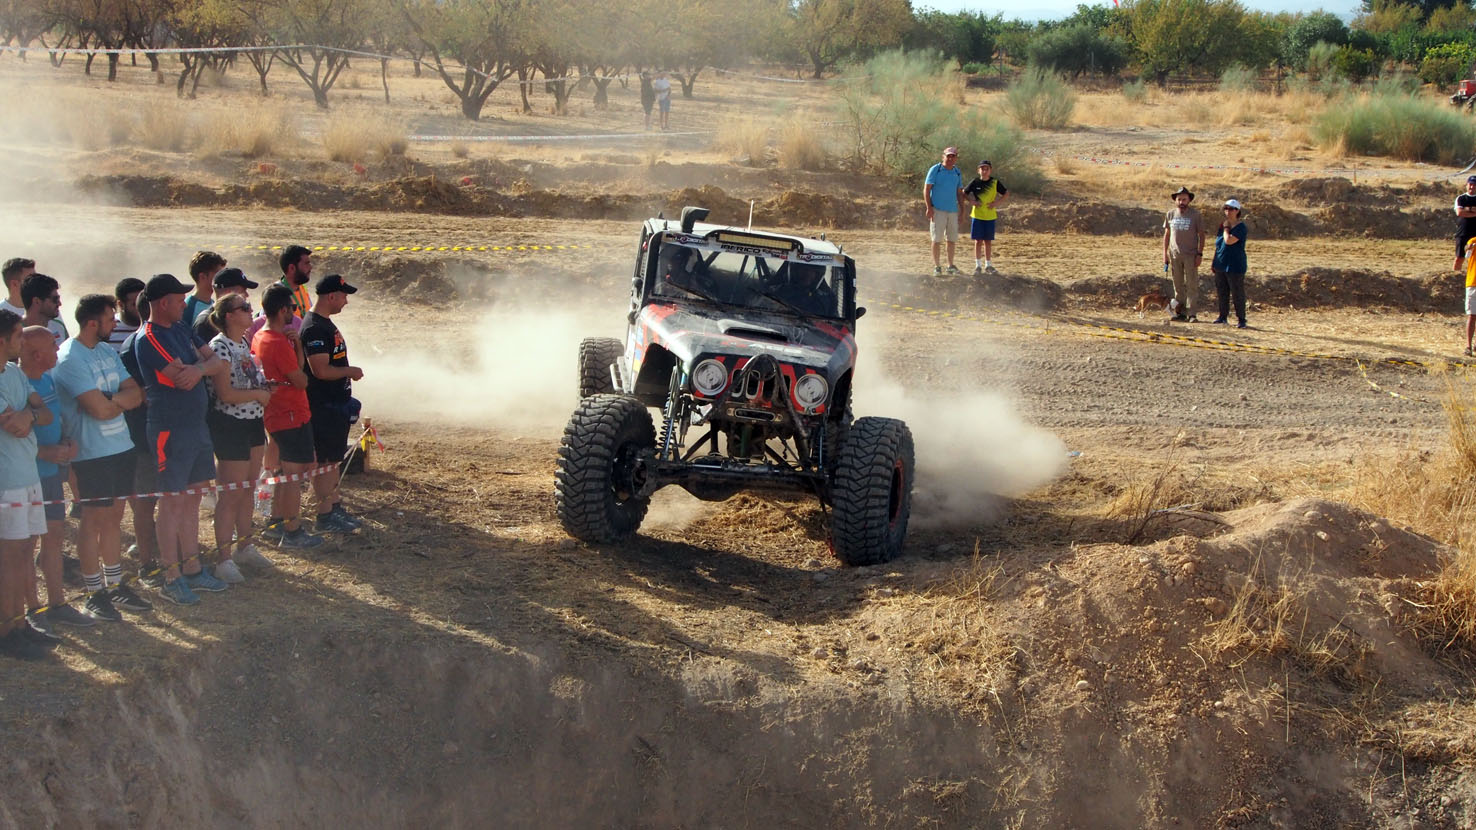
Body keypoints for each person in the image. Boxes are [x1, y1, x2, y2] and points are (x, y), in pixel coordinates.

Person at [133, 274, 230, 605]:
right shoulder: (149, 338)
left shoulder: (181, 328)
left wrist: (200, 369)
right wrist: (200, 368)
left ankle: (192, 568)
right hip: (169, 429)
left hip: (195, 426)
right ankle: (171, 576)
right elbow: (181, 379)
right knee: (172, 502)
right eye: (178, 299)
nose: (183, 304)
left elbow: (217, 362)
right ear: (163, 303)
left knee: (192, 498)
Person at [54, 294, 151, 621]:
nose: (115, 323)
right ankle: (94, 593)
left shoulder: (107, 351)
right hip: (91, 453)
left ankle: (114, 583)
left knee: (113, 518)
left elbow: (136, 394)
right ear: (93, 322)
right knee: (93, 521)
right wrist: (114, 401)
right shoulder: (69, 358)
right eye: (111, 319)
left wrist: (111, 400)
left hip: (121, 447)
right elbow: (97, 409)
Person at [19, 327, 89, 635]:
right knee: (26, 544)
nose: (57, 347)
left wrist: (68, 440)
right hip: (28, 476)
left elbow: (57, 419)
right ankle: (34, 608)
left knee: (54, 537)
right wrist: (44, 452)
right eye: (52, 344)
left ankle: (58, 602)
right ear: (36, 355)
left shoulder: (47, 379)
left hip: (52, 475)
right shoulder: (17, 384)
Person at [205, 295, 274, 578]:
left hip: (253, 422)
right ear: (229, 315)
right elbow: (226, 394)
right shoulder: (218, 347)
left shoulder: (244, 343)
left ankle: (245, 546)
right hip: (230, 425)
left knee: (247, 488)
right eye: (244, 308)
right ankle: (223, 559)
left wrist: (264, 388)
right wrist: (258, 394)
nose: (250, 312)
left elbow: (247, 378)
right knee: (230, 494)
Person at [252, 284, 324, 550]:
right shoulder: (277, 342)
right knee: (294, 476)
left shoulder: (260, 336)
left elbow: (294, 372)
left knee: (285, 472)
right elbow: (302, 380)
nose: (293, 313)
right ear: (282, 310)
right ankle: (292, 531)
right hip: (291, 415)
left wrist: (296, 346)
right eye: (292, 309)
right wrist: (295, 349)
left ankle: (277, 522)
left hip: (278, 414)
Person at [0, 311, 54, 659]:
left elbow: (42, 414)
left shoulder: (16, 374)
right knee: (9, 557)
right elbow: (12, 424)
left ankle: (19, 622)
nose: (22, 343)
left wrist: (28, 414)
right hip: (7, 482)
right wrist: (26, 414)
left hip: (28, 475)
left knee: (24, 552)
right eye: (18, 336)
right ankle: (7, 630)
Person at [302, 275, 365, 533]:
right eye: (343, 295)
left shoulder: (323, 324)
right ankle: (325, 515)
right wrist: (349, 371)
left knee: (333, 460)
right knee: (326, 461)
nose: (346, 301)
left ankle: (334, 506)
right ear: (331, 296)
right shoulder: (314, 327)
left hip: (334, 403)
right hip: (324, 405)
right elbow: (320, 370)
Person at [117, 297, 161, 587]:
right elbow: (138, 393)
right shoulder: (135, 345)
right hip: (143, 435)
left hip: (165, 432)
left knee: (167, 499)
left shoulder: (167, 338)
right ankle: (147, 563)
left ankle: (168, 554)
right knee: (144, 502)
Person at [247, 245, 312, 342]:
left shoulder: (302, 288)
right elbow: (264, 326)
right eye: (306, 263)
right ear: (292, 268)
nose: (310, 267)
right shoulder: (275, 294)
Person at [1162, 186, 1206, 323]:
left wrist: (1199, 254)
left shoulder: (1195, 215)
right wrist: (1165, 253)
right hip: (1174, 255)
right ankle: (1180, 312)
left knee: (1191, 284)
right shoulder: (1170, 214)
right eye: (1179, 199)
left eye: (1184, 199)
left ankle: (1192, 313)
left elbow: (1202, 235)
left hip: (1190, 255)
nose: (1181, 202)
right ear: (1175, 200)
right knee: (1178, 285)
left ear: (1189, 200)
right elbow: (1167, 234)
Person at [923, 147, 965, 276]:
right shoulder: (935, 169)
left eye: (953, 156)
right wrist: (929, 207)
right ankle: (937, 266)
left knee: (951, 239)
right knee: (936, 239)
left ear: (956, 158)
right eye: (948, 156)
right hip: (938, 210)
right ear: (943, 156)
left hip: (952, 210)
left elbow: (959, 193)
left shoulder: (957, 172)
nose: (950, 158)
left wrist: (962, 210)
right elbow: (926, 189)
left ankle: (950, 265)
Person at [964, 160, 1009, 276]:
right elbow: (964, 192)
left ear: (990, 170)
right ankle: (978, 265)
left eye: (986, 169)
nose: (984, 171)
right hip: (977, 216)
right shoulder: (975, 182)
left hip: (990, 216)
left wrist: (996, 203)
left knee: (988, 241)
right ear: (978, 170)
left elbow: (1006, 193)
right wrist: (971, 201)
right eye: (982, 168)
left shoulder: (995, 182)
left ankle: (988, 265)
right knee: (978, 241)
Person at [1211, 199, 1250, 329]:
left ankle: (1241, 319)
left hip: (1235, 264)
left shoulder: (1240, 227)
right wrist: (1214, 261)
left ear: (1237, 211)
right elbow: (1218, 244)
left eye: (1231, 209)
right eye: (1226, 208)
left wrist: (1227, 229)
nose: (1228, 211)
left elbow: (1229, 241)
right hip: (1221, 263)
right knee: (1222, 292)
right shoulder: (1223, 226)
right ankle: (1223, 316)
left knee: (1237, 292)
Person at [196, 268, 258, 341]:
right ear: (229, 293)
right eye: (243, 291)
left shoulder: (238, 318)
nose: (247, 295)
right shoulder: (205, 323)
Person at [20, 274, 68, 345]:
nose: (60, 304)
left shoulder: (59, 326)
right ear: (37, 301)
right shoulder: (13, 333)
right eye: (55, 299)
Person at [183, 251, 227, 329]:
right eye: (218, 274)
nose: (222, 278)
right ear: (202, 277)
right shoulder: (188, 308)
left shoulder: (214, 303)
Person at [108, 278, 145, 351]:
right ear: (121, 304)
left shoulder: (156, 327)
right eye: (134, 304)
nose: (141, 308)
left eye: (143, 303)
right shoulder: (108, 328)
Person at [1455, 176, 1476, 273]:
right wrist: (1473, 211)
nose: (1472, 187)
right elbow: (1460, 213)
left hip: (1475, 234)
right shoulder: (1461, 198)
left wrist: (1467, 209)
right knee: (1459, 258)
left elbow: (1464, 211)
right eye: (1470, 185)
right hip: (1463, 232)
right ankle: (1455, 276)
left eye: (1474, 185)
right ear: (1467, 185)